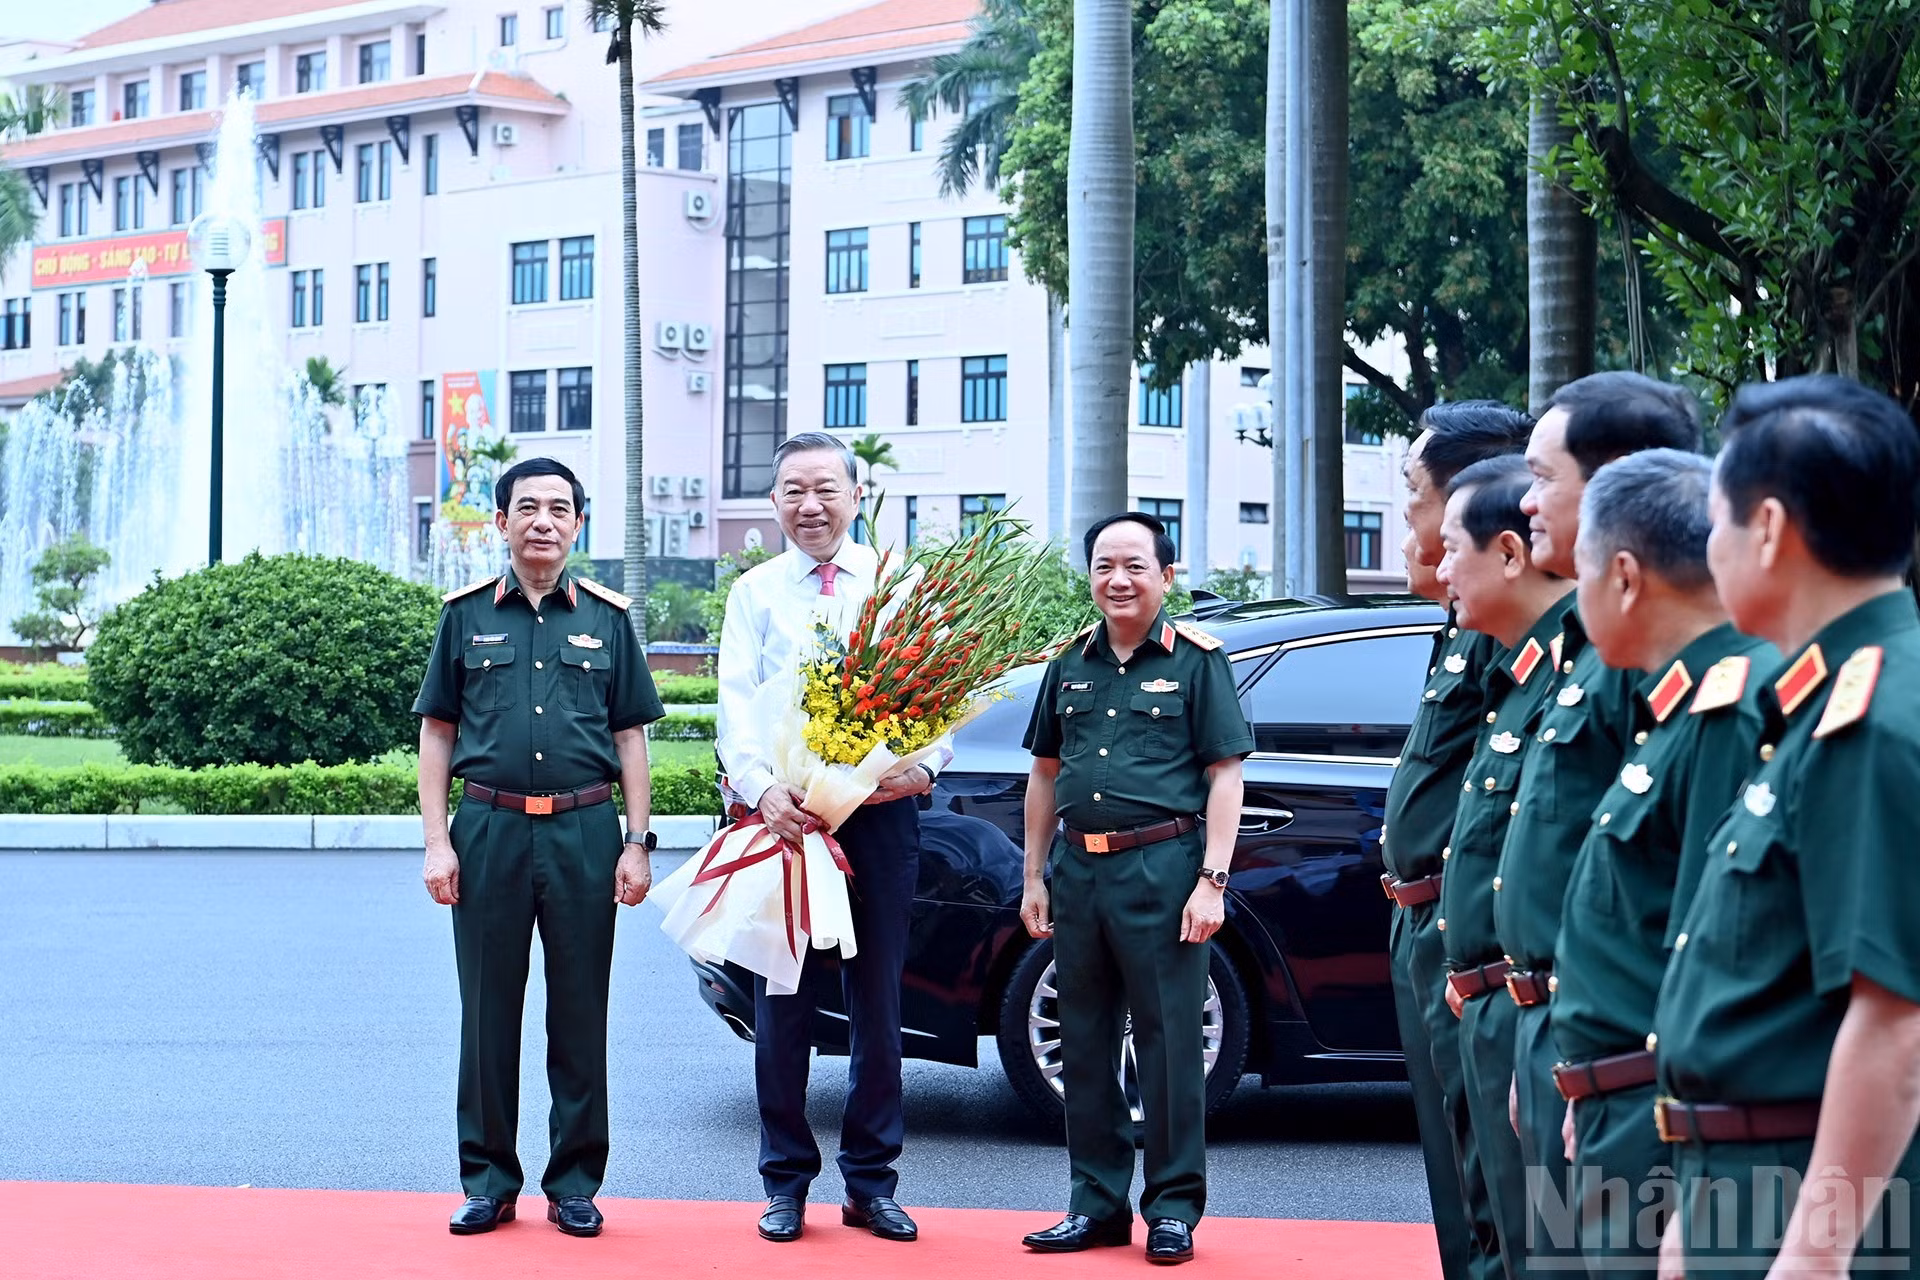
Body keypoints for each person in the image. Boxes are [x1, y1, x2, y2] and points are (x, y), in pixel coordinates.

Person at [1654, 376, 1920, 1278]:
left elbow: (1896, 1020)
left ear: (1766, 529)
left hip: (1801, 1204)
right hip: (1740, 1184)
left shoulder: (1873, 719)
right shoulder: (1820, 702)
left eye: (1715, 520)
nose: (1706, 548)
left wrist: (1812, 1256)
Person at [413, 456, 665, 1238]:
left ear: (578, 524)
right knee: (487, 1013)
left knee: (580, 1012)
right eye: (527, 508)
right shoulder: (462, 617)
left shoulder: (607, 618)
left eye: (559, 508)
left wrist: (636, 843)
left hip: (585, 832)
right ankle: (489, 1179)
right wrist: (435, 844)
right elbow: (437, 734)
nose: (543, 522)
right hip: (485, 829)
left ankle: (576, 1181)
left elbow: (629, 738)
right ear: (501, 522)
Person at [1549, 450, 1772, 1272]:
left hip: (1664, 1118)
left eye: (1577, 572)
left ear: (1626, 577)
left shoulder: (1729, 711)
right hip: (1621, 1098)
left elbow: (1712, 946)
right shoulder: (1676, 707)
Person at [1497, 373, 1701, 1268]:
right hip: (1564, 1037)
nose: (1526, 500)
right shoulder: (1584, 642)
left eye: (1543, 476)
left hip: (1631, 1071)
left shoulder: (1659, 660)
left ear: (1618, 480)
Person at [715, 432, 938, 1246]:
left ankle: (872, 1185)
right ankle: (785, 1185)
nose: (809, 506)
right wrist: (762, 790)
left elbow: (940, 690)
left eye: (825, 489)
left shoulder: (899, 582)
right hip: (785, 825)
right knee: (782, 1007)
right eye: (792, 491)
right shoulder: (755, 593)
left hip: (878, 819)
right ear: (774, 501)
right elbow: (735, 707)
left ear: (854, 494)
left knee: (878, 1007)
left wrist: (924, 766)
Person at [1017, 512, 1253, 1267]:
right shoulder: (1068, 664)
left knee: (1169, 1046)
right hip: (1077, 872)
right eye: (1104, 566)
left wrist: (1212, 880)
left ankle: (1174, 1208)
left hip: (1164, 869)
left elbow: (1225, 776)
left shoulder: (1197, 663)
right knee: (1084, 1044)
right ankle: (1095, 1204)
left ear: (1166, 576)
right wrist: (1033, 877)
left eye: (1135, 566)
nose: (1118, 579)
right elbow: (1044, 775)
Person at [1385, 402, 1534, 1280]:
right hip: (1426, 923)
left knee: (1491, 1183)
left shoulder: (1506, 638)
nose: (1404, 512)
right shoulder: (1459, 628)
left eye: (1412, 489)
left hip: (1463, 927)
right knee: (1455, 1159)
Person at [1434, 455, 1573, 1279]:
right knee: (1495, 1232)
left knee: (1538, 1247)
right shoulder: (1523, 672)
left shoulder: (1584, 675)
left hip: (1553, 1011)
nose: (1440, 567)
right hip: (1502, 997)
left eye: (1454, 547)